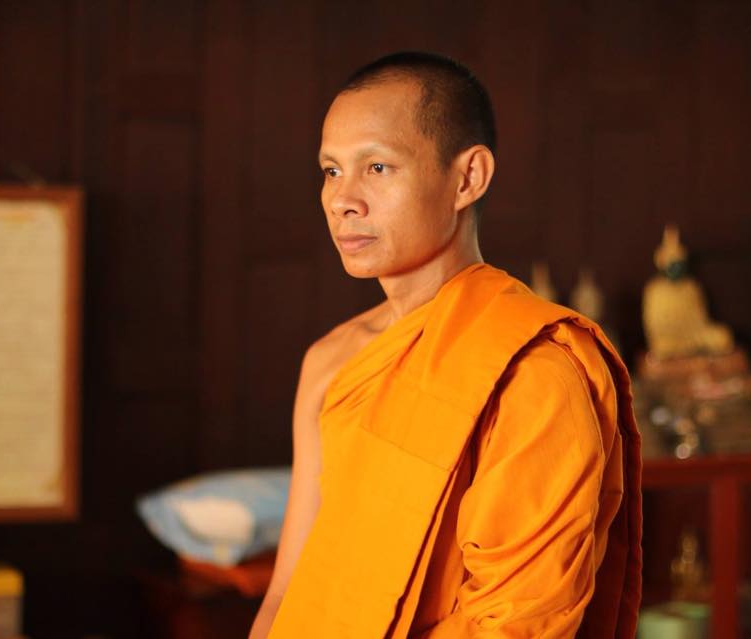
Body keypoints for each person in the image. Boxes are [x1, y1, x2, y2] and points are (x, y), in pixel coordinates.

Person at [249, 52, 641, 639]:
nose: (342, 199)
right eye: (331, 171)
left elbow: (516, 624)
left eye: (377, 167)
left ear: (467, 178)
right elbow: (289, 590)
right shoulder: (331, 360)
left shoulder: (532, 370)